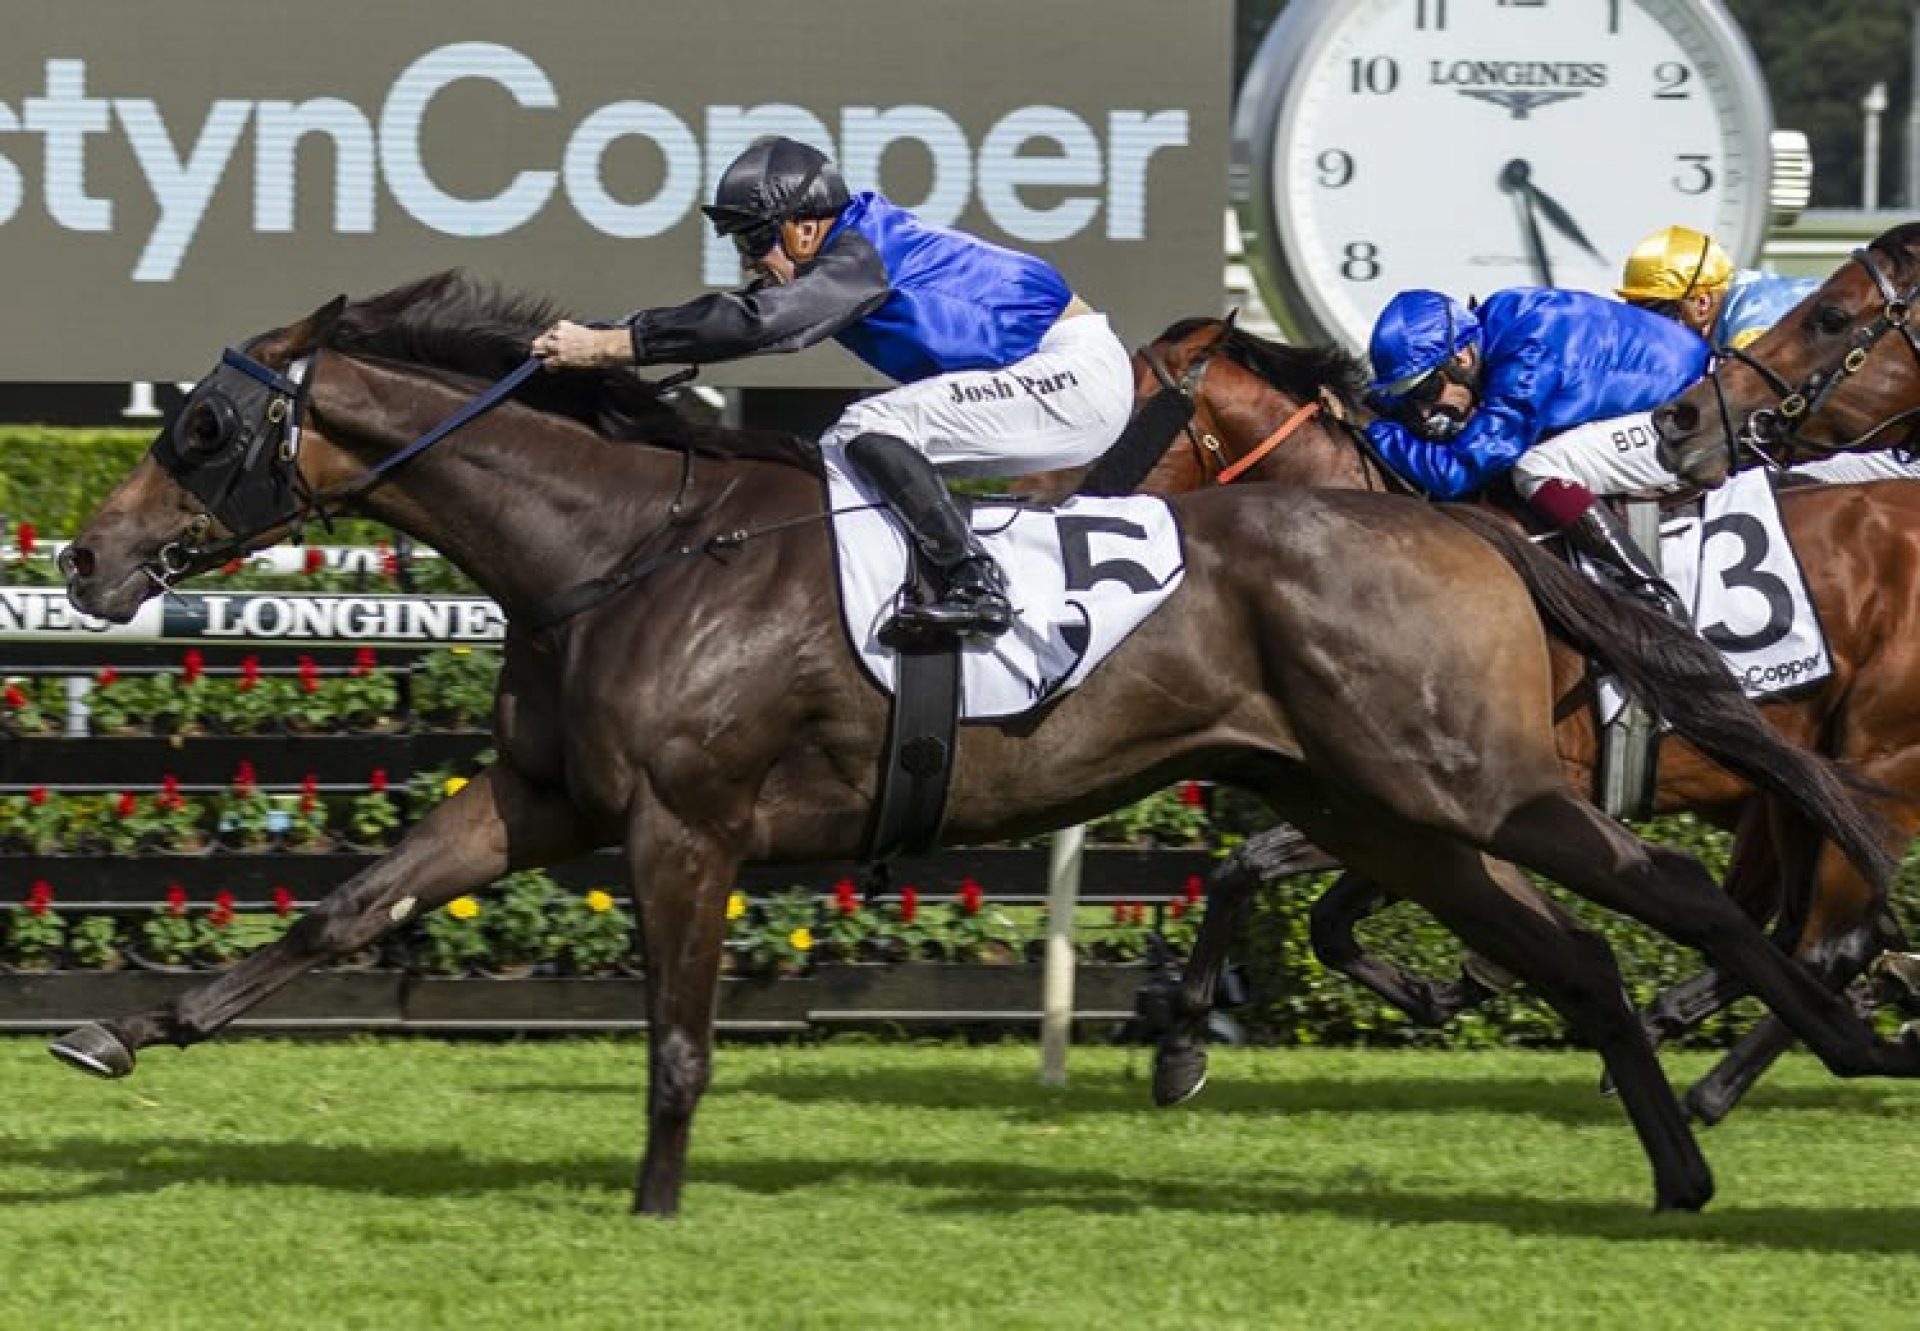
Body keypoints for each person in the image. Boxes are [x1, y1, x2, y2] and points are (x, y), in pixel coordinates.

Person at [531, 136, 1132, 642]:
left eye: (754, 240)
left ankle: (975, 584)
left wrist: (614, 346)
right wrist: (612, 333)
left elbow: (764, 323)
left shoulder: (862, 253)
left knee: (870, 427)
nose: (748, 260)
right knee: (844, 454)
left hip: (1073, 375)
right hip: (1053, 375)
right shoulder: (850, 247)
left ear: (805, 228)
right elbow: (744, 311)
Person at [1363, 287, 1707, 620]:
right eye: (1410, 397)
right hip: (1672, 391)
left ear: (1462, 358)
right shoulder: (1493, 329)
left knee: (1535, 466)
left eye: (1426, 390)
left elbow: (1458, 471)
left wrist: (1377, 432)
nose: (1424, 410)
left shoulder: (1527, 355)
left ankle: (1652, 600)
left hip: (1694, 411)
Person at [1619, 223, 1920, 486]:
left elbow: (1745, 399)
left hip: (1888, 444)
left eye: (1658, 312)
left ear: (1702, 302)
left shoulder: (1753, 315)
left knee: (1751, 478)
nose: (1653, 329)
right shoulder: (1735, 304)